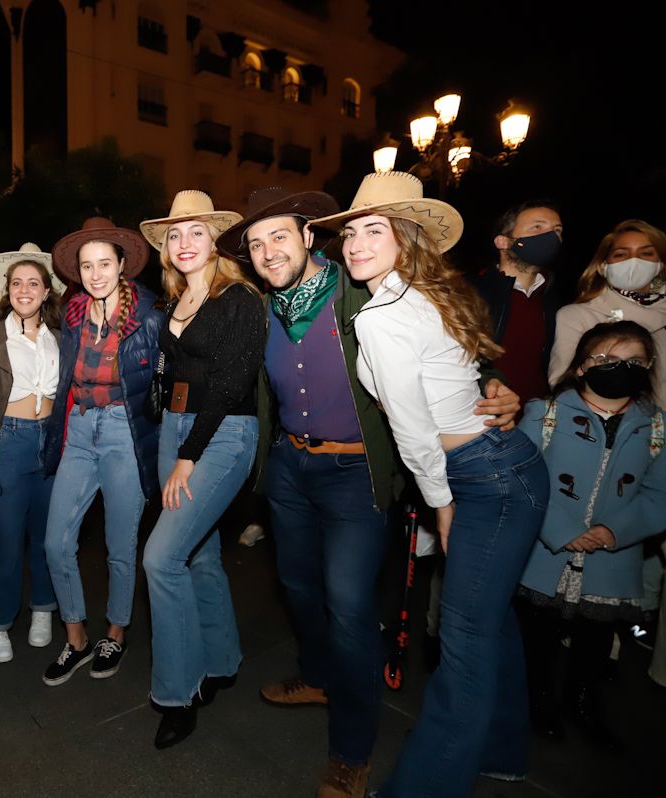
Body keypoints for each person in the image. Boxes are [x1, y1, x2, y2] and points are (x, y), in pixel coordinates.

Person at [214, 187, 521, 798]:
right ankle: (320, 675)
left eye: (279, 235)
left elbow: (440, 336)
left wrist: (494, 384)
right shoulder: (259, 307)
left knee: (349, 605)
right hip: (290, 471)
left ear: (309, 237)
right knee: (299, 588)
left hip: (356, 474)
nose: (268, 251)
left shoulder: (361, 286)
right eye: (255, 243)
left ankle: (351, 750)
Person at [311, 172, 550, 797]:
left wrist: (440, 503)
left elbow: (414, 430)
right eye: (352, 232)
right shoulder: (424, 295)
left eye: (374, 230)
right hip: (504, 464)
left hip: (483, 477)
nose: (357, 244)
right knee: (492, 623)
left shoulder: (383, 316)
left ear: (406, 238)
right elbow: (462, 378)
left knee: (465, 641)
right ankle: (501, 752)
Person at [136, 191, 263, 749]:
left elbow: (234, 384)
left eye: (195, 232)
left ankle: (177, 692)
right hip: (175, 429)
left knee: (161, 558)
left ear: (216, 239)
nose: (183, 243)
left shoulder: (239, 298)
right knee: (200, 554)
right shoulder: (176, 299)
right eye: (173, 235)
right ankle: (220, 661)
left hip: (223, 431)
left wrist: (189, 456)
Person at [517, 320, 665, 752]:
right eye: (607, 359)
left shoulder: (656, 428)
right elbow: (527, 480)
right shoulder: (542, 414)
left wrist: (613, 532)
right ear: (581, 367)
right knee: (538, 634)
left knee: (595, 642)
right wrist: (562, 530)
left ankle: (582, 703)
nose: (621, 368)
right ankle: (538, 700)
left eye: (634, 361)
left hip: (611, 558)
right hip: (546, 553)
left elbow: (659, 495)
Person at [40, 218, 165, 685]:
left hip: (124, 433)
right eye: (87, 265)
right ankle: (75, 639)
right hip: (78, 431)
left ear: (121, 266)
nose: (95, 274)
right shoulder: (71, 314)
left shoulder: (149, 315)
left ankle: (115, 630)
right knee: (56, 542)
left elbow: (167, 380)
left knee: (120, 545)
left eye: (104, 264)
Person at [0, 243, 65, 663]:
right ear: (7, 291)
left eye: (33, 283)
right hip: (8, 443)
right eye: (17, 283)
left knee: (46, 539)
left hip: (52, 443)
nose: (25, 290)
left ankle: (43, 610)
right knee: (3, 541)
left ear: (46, 292)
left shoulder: (59, 339)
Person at [550, 220, 666, 409]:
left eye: (646, 253)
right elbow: (563, 384)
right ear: (603, 266)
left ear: (660, 264)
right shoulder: (578, 315)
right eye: (621, 254)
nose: (633, 261)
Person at [471, 200, 566, 406]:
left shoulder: (558, 301)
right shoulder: (470, 295)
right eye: (537, 227)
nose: (551, 236)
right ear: (503, 242)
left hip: (539, 419)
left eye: (557, 230)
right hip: (486, 416)